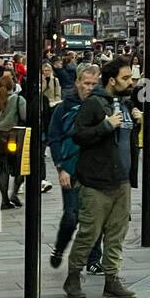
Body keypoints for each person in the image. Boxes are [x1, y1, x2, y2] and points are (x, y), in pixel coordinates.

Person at [63, 58, 139, 298]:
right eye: (126, 78)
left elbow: (125, 142)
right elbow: (78, 135)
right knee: (89, 233)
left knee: (117, 234)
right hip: (96, 182)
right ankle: (73, 276)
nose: (131, 82)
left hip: (121, 181)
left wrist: (135, 121)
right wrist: (105, 126)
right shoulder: (94, 104)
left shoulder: (125, 104)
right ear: (112, 80)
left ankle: (112, 279)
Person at [48, 64, 103, 272]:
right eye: (86, 83)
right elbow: (54, 138)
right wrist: (60, 166)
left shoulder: (99, 105)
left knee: (93, 215)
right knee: (71, 216)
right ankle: (60, 249)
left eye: (93, 84)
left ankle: (93, 260)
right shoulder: (63, 108)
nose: (89, 87)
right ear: (77, 82)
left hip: (93, 168)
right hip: (70, 168)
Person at [0, 72, 27, 209]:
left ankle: (5, 200)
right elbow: (24, 116)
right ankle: (14, 194)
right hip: (15, 136)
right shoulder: (18, 100)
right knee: (20, 167)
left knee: (3, 169)